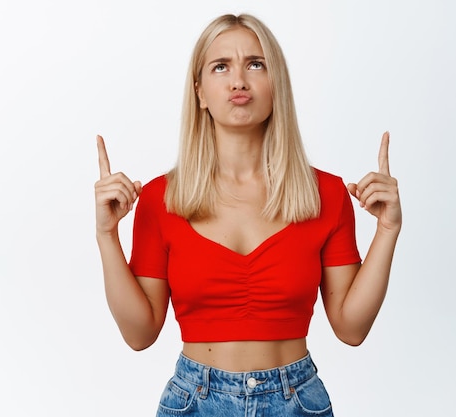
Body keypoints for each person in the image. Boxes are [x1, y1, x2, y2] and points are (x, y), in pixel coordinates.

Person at [94, 13, 401, 417]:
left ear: (277, 86)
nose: (239, 80)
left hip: (296, 402)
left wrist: (388, 229)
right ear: (200, 92)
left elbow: (351, 328)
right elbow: (139, 334)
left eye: (255, 64)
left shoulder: (324, 194)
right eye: (221, 66)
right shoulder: (159, 198)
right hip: (194, 402)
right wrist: (106, 235)